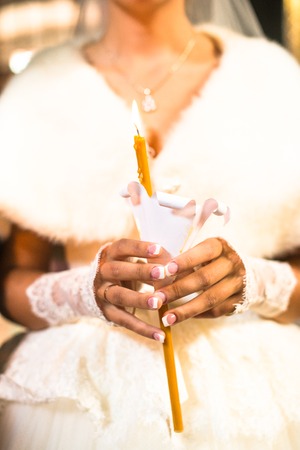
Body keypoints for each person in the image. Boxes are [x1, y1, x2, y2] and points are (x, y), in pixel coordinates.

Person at [0, 0, 300, 448]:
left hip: (255, 388)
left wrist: (256, 281)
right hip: (84, 392)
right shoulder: (39, 94)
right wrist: (83, 291)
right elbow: (10, 282)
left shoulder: (273, 82)